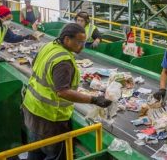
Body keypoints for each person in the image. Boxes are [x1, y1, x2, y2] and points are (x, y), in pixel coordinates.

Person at [22, 23, 112, 159]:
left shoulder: (50, 46)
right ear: (67, 39)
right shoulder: (63, 60)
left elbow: (35, 64)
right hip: (50, 118)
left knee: (36, 152)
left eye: (84, 42)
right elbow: (63, 92)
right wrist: (94, 99)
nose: (82, 46)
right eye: (79, 42)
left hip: (32, 108)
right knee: (55, 155)